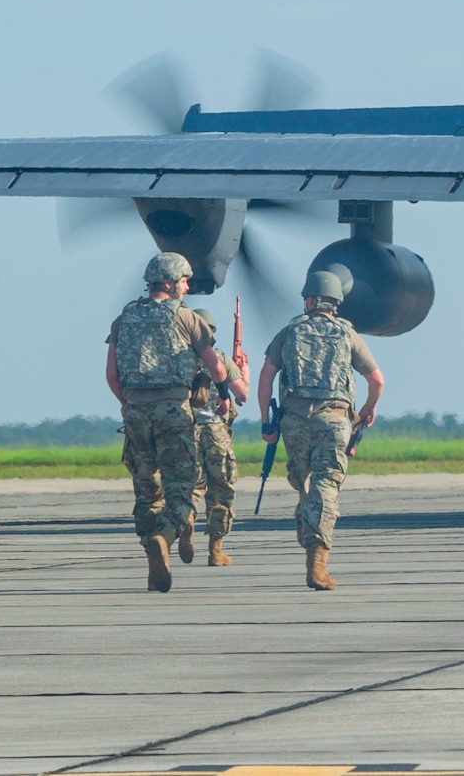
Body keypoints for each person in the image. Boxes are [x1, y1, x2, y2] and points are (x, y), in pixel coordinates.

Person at [106, 253, 246, 592]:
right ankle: (165, 537)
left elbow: (112, 375)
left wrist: (128, 404)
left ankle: (153, 561)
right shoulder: (186, 317)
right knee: (183, 489)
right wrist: (223, 385)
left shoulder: (124, 319)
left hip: (136, 413)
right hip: (173, 411)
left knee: (146, 491)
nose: (187, 287)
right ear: (171, 283)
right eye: (185, 281)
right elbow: (217, 369)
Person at [258, 269, 384, 591]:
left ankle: (310, 542)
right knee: (326, 485)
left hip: (294, 421)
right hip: (335, 420)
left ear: (311, 300)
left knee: (304, 485)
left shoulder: (289, 332)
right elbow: (376, 381)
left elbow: (266, 376)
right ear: (334, 303)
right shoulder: (348, 335)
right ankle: (318, 561)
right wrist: (367, 410)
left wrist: (265, 422)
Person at [182, 308, 247, 567]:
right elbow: (241, 395)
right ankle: (215, 551)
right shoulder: (219, 358)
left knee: (191, 487)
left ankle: (187, 521)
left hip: (187, 430)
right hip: (216, 432)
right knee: (221, 490)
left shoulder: (179, 360)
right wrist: (244, 369)